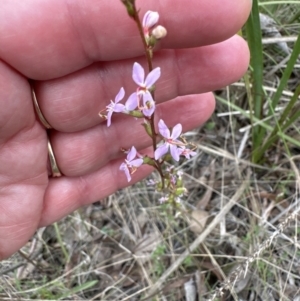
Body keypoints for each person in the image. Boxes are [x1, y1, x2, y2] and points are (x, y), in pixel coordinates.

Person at [0, 0, 251, 260]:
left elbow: (155, 122)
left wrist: (154, 129)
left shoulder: (155, 120)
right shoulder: (138, 102)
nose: (142, 93)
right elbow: (144, 110)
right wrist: (131, 111)